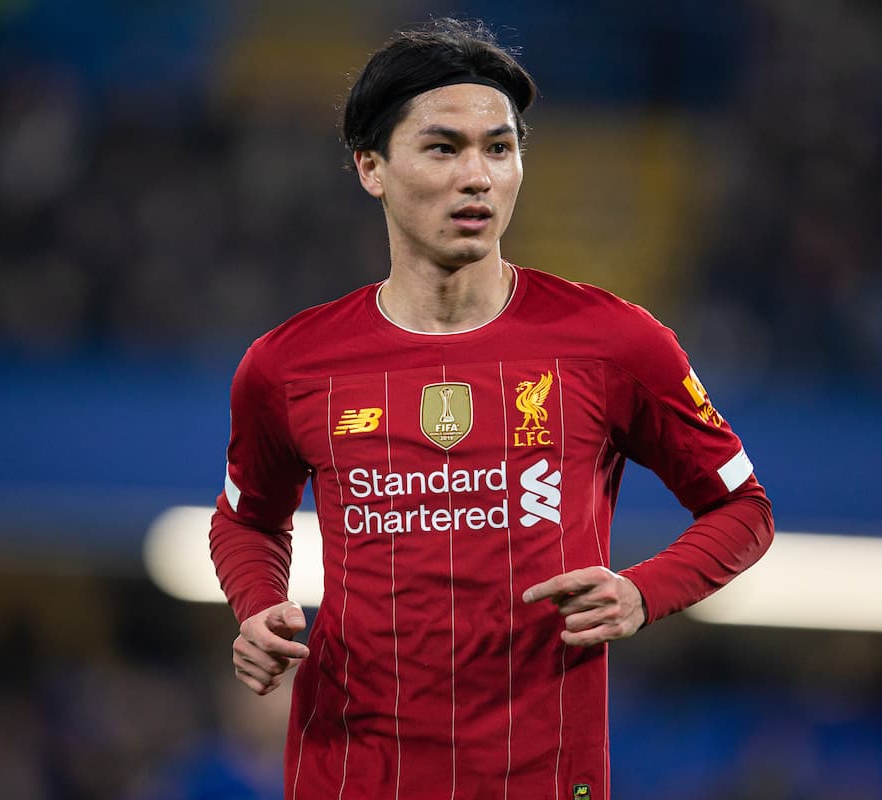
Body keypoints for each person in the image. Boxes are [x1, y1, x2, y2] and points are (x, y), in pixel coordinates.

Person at [209, 17, 773, 800]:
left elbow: (742, 508)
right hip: (351, 777)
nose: (477, 175)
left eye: (499, 148)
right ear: (371, 166)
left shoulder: (614, 342)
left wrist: (644, 593)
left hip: (539, 779)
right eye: (444, 148)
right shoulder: (287, 367)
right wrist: (260, 605)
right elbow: (244, 519)